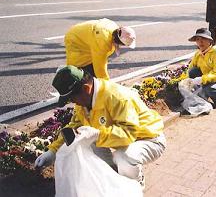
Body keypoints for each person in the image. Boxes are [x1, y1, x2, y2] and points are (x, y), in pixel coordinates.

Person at [34, 65, 166, 189]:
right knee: (86, 140)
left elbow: (128, 133)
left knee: (123, 157)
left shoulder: (116, 96)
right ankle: (112, 177)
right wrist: (52, 151)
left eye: (71, 98)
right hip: (123, 140)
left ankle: (135, 186)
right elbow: (73, 127)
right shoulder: (83, 101)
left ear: (86, 88)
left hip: (149, 139)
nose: (72, 102)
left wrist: (97, 134)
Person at [64, 18, 136, 80]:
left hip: (83, 34)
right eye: (123, 44)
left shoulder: (114, 29)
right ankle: (68, 88)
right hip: (74, 39)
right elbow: (100, 67)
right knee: (77, 67)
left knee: (89, 67)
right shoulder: (102, 42)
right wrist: (106, 84)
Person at [187, 28, 216, 108]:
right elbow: (190, 69)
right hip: (207, 79)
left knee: (209, 89)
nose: (200, 42)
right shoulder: (198, 53)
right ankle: (203, 94)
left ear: (209, 41)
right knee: (192, 71)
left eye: (204, 39)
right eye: (198, 39)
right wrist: (185, 80)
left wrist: (201, 79)